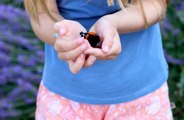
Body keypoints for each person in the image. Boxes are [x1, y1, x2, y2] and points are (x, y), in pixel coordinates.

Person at [24, 0, 173, 119]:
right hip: (63, 100)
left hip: (141, 97)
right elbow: (42, 16)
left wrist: (113, 23)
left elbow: (154, 4)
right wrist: (61, 35)